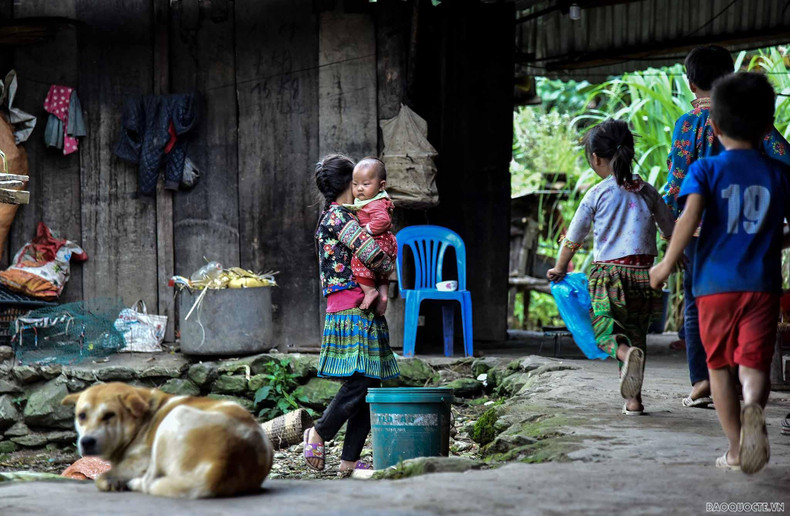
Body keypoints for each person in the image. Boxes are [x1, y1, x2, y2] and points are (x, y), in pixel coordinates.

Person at [650, 72, 790, 474]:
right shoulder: (780, 175)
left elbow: (687, 220)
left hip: (713, 288)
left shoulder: (706, 171)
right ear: (768, 127)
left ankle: (734, 447)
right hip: (762, 288)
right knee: (753, 367)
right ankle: (753, 407)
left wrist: (664, 265)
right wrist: (772, 240)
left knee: (719, 370)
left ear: (714, 124)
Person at [547, 119, 674, 415]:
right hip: (644, 277)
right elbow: (670, 230)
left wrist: (559, 268)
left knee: (605, 332)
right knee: (636, 334)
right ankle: (634, 400)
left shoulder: (596, 194)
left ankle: (625, 353)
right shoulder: (648, 191)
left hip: (609, 277)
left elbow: (573, 238)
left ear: (595, 158)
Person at [304, 154, 400, 476]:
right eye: (357, 182)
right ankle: (320, 431)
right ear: (349, 183)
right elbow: (376, 258)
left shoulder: (342, 217)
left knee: (370, 382)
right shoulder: (340, 219)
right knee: (360, 380)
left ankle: (349, 459)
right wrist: (389, 265)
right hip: (352, 308)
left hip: (360, 307)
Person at [345, 157, 397, 315]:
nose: (359, 189)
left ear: (381, 186)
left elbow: (384, 221)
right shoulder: (374, 200)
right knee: (381, 273)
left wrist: (366, 229)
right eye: (355, 184)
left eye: (366, 184)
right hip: (386, 244)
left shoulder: (375, 203)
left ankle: (369, 292)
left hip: (378, 242)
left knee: (358, 258)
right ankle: (383, 295)